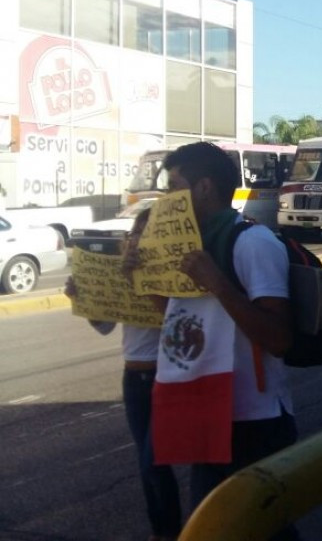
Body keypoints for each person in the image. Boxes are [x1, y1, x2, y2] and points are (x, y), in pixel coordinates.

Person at [128, 142, 298, 539]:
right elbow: (176, 321)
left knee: (264, 529)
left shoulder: (252, 244)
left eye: (174, 187)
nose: (167, 199)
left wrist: (218, 283)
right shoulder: (187, 247)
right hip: (209, 413)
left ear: (204, 188)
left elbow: (279, 339)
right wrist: (140, 276)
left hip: (256, 422)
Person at [65, 208, 182, 541]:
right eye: (135, 233)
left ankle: (173, 533)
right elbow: (104, 325)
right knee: (148, 466)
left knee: (153, 463)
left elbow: (178, 320)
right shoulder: (119, 272)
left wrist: (143, 282)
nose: (138, 240)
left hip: (165, 378)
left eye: (146, 234)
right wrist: (84, 298)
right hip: (133, 380)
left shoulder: (170, 276)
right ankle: (162, 531)